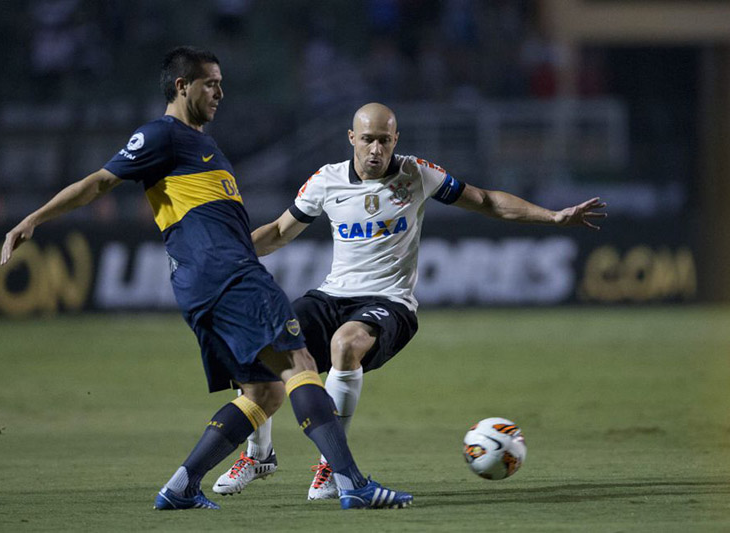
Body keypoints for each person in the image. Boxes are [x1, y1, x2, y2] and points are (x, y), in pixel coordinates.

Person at [0, 49, 412, 511]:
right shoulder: (163, 135)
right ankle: (351, 482)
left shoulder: (201, 145)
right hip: (228, 274)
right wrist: (33, 219)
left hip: (199, 285)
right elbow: (99, 182)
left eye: (220, 83)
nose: (220, 92)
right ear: (182, 87)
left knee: (264, 391)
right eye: (210, 83)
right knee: (300, 362)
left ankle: (182, 485)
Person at [212, 102, 607, 499]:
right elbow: (280, 231)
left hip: (389, 302)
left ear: (395, 140)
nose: (375, 149)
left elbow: (485, 200)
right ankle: (259, 455)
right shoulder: (326, 181)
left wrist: (553, 217)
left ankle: (333, 467)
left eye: (384, 140)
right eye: (367, 139)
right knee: (264, 344)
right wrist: (228, 257)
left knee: (345, 345)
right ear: (352, 138)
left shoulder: (417, 173)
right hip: (331, 295)